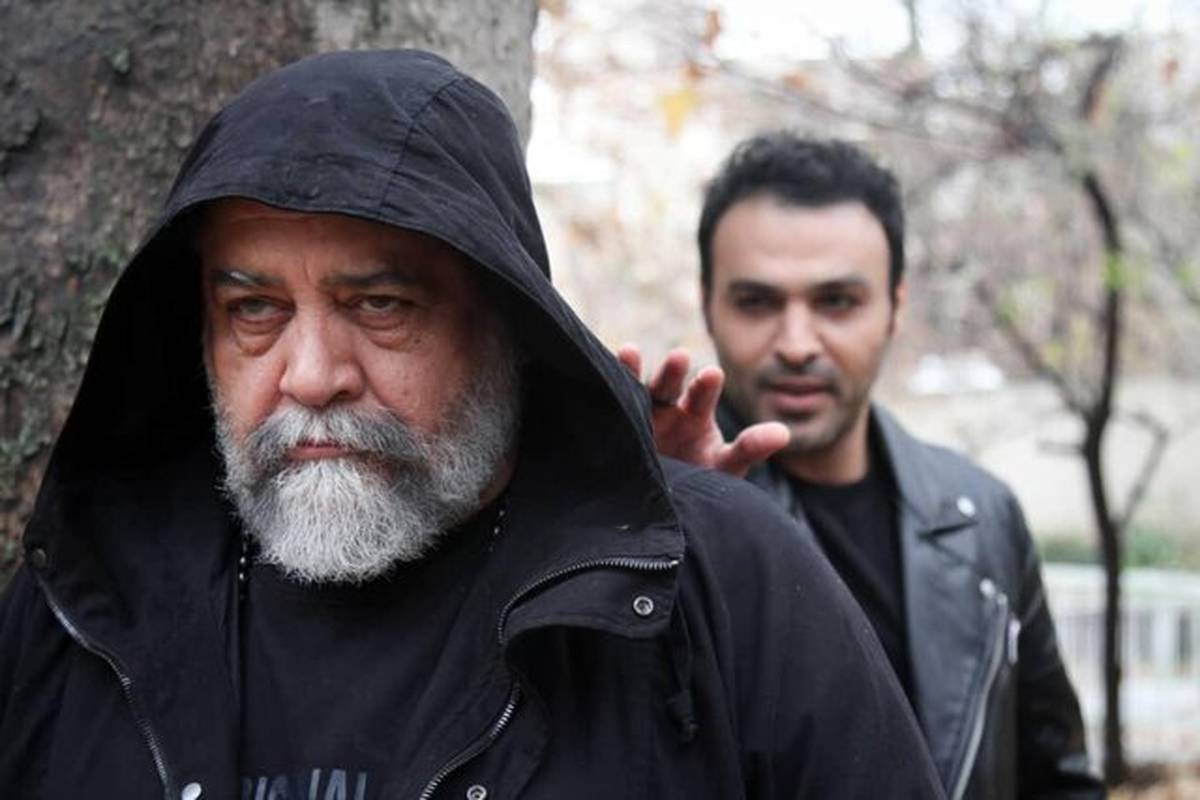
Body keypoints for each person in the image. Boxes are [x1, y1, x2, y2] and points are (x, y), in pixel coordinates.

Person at [0, 52, 945, 799]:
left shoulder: (724, 585)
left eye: (379, 305)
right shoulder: (86, 604)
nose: (312, 376)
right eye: (255, 310)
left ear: (508, 327)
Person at [622, 134, 1105, 800]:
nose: (797, 344)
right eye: (757, 302)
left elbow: (1057, 781)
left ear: (895, 307)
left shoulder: (981, 517)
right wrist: (651, 530)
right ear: (708, 304)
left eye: (837, 301)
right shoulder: (644, 510)